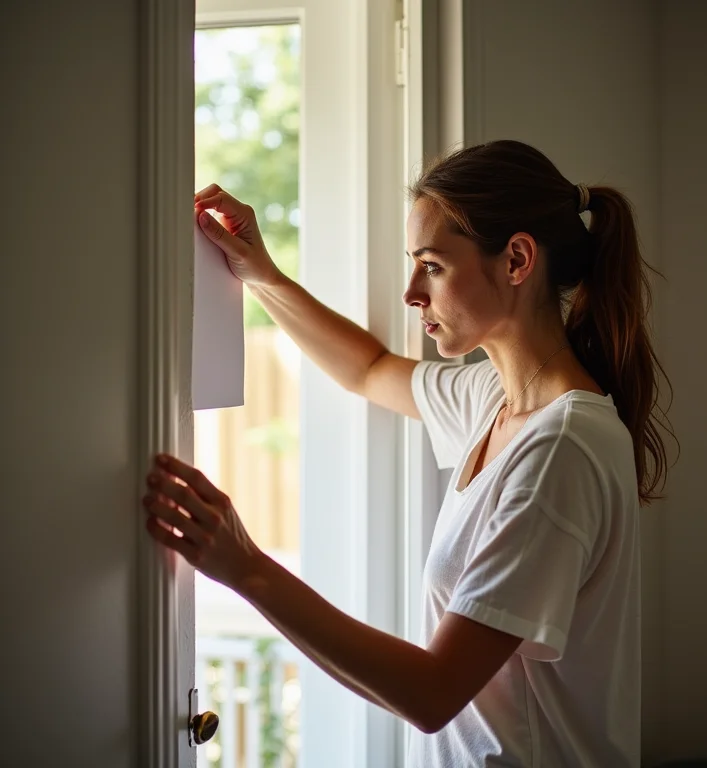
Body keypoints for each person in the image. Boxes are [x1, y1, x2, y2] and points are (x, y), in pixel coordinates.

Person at [142, 139, 675, 767]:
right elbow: (367, 370)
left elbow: (432, 692)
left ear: (517, 260)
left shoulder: (560, 449)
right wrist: (262, 274)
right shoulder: (492, 399)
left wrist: (247, 566)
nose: (411, 293)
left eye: (432, 265)